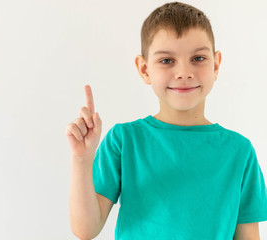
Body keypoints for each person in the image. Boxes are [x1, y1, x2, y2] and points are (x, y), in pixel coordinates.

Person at [66, 2, 267, 239]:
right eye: (167, 61)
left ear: (215, 64)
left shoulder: (239, 151)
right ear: (144, 69)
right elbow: (85, 229)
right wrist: (82, 160)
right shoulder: (124, 141)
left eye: (198, 58)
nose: (184, 72)